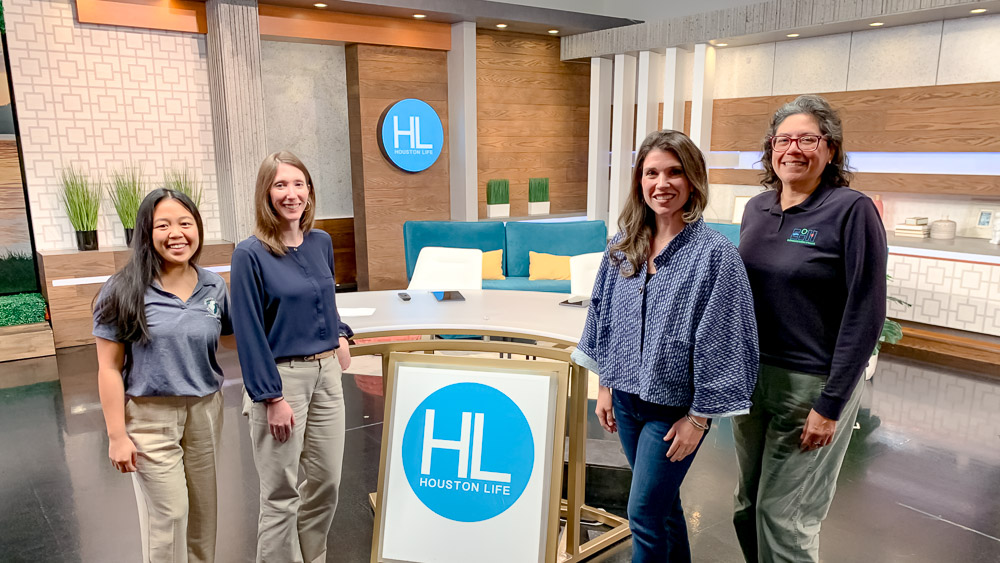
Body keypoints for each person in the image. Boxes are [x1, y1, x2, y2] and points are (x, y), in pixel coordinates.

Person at [572, 130, 759, 563]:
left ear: (693, 180)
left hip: (673, 410)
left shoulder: (715, 255)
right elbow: (604, 316)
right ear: (639, 180)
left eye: (675, 172)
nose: (663, 183)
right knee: (664, 504)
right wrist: (605, 385)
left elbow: (725, 339)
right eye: (651, 172)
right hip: (626, 402)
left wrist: (699, 419)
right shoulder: (622, 246)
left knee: (642, 514)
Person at [733, 94, 887, 562]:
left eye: (807, 139)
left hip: (811, 385)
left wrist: (832, 403)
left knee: (784, 516)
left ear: (831, 149)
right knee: (746, 507)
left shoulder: (851, 210)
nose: (793, 149)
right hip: (752, 380)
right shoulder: (757, 209)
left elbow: (866, 309)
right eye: (783, 139)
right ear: (769, 148)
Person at [94, 188, 231, 563]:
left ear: (197, 229)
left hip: (205, 410)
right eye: (164, 225)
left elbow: (236, 337)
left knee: (204, 515)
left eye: (185, 223)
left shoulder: (213, 285)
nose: (177, 233)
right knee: (169, 516)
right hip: (150, 417)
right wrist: (116, 435)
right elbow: (108, 368)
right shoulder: (123, 289)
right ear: (146, 233)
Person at [230, 151, 353, 563]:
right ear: (266, 193)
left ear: (309, 191)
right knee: (280, 493)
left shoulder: (321, 242)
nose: (291, 194)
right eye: (281, 185)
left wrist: (339, 332)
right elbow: (247, 333)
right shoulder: (250, 254)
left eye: (298, 184)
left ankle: (311, 557)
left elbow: (324, 296)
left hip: (327, 376)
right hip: (282, 382)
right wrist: (271, 398)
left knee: (327, 481)